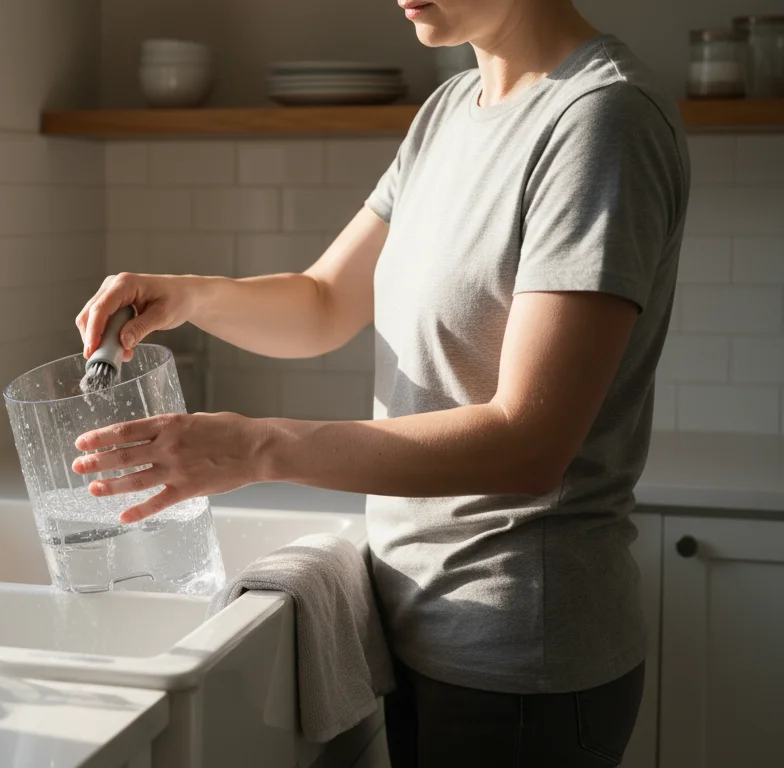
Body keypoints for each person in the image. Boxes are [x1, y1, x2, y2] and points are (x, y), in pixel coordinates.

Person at [71, 0, 689, 765]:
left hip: (520, 657)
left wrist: (258, 448)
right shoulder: (448, 111)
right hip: (417, 626)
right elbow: (325, 301)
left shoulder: (602, 121)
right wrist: (191, 295)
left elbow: (528, 443)